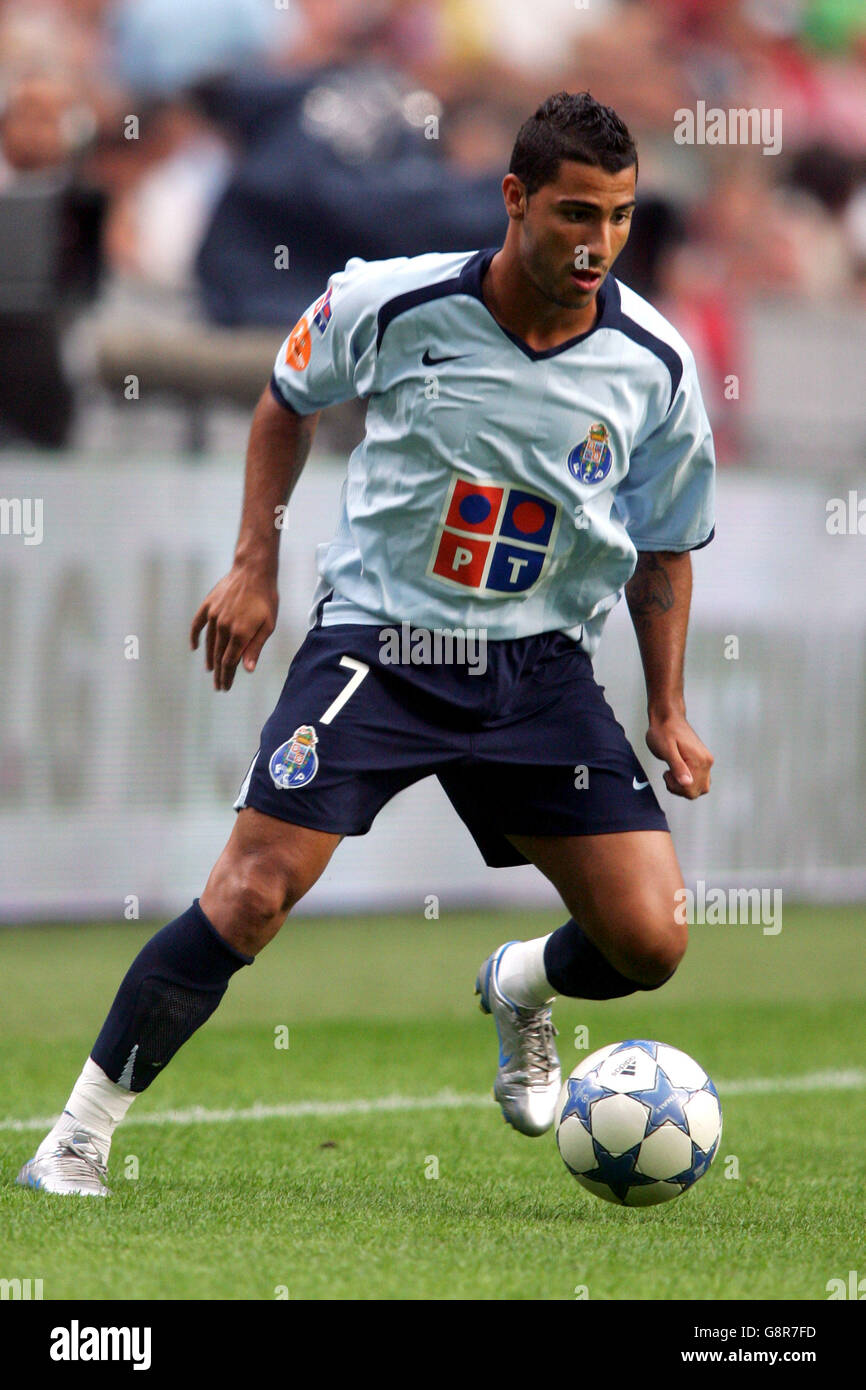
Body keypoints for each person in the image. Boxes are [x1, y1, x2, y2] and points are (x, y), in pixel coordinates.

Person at [17, 91, 715, 1196]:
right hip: (379, 652)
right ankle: (77, 1138)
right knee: (249, 893)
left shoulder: (655, 364)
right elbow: (286, 396)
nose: (598, 245)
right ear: (514, 199)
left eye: (620, 219)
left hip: (538, 671)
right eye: (575, 214)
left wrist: (667, 707)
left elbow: (667, 548)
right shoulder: (394, 303)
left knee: (650, 942)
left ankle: (520, 981)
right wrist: (254, 561)